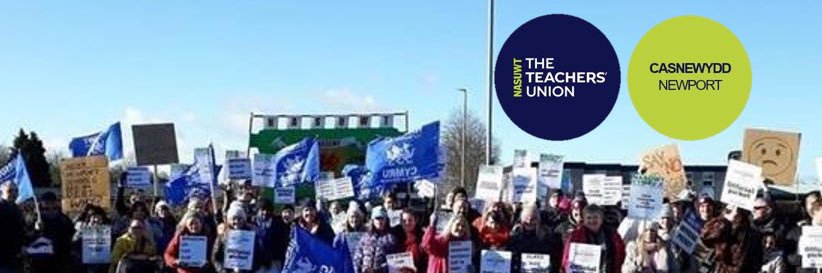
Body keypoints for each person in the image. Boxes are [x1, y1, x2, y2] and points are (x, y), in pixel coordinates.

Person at [562, 204, 626, 273]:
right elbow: (567, 259)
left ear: (601, 219)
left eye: (595, 217)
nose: (592, 220)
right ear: (584, 220)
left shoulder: (613, 235)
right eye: (588, 218)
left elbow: (621, 255)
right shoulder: (575, 236)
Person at [700, 206, 762, 273]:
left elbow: (755, 265)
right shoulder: (722, 221)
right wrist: (726, 221)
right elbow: (705, 237)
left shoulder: (752, 235)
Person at [508, 202, 559, 273]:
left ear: (538, 220)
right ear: (522, 219)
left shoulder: (546, 237)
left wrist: (550, 266)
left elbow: (554, 259)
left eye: (533, 219)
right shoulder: (515, 236)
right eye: (526, 218)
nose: (529, 221)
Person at [212, 203, 260, 273]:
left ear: (244, 219)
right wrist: (223, 271)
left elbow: (258, 255)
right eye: (234, 219)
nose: (236, 221)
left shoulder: (251, 234)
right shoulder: (223, 234)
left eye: (239, 218)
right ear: (229, 220)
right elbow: (215, 257)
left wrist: (251, 270)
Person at [37, 192, 76, 271]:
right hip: (42, 259)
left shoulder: (63, 218)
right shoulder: (37, 218)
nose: (50, 205)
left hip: (61, 257)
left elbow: (72, 232)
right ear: (42, 203)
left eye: (52, 203)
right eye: (47, 203)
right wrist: (36, 229)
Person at [353, 206, 398, 273]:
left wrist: (377, 270)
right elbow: (357, 257)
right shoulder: (365, 237)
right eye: (377, 218)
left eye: (382, 218)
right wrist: (358, 269)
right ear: (373, 220)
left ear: (386, 220)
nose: (379, 221)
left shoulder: (391, 239)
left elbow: (394, 261)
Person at [72, 204, 110, 273]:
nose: (96, 220)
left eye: (99, 218)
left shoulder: (108, 234)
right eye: (94, 218)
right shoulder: (80, 231)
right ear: (89, 220)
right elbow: (74, 244)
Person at [254, 199, 288, 273]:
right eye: (262, 210)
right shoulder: (252, 223)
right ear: (258, 210)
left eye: (268, 210)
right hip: (257, 263)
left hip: (274, 262)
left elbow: (283, 243)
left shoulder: (279, 223)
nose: (265, 212)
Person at [0, 182, 25, 273]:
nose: (14, 193)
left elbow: (21, 231)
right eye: (10, 191)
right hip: (3, 258)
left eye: (16, 191)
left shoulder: (16, 209)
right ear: (2, 192)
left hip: (16, 258)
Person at [393, 209, 426, 273]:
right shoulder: (394, 235)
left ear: (415, 221)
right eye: (404, 221)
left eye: (410, 220)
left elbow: (425, 260)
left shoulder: (422, 237)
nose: (407, 223)